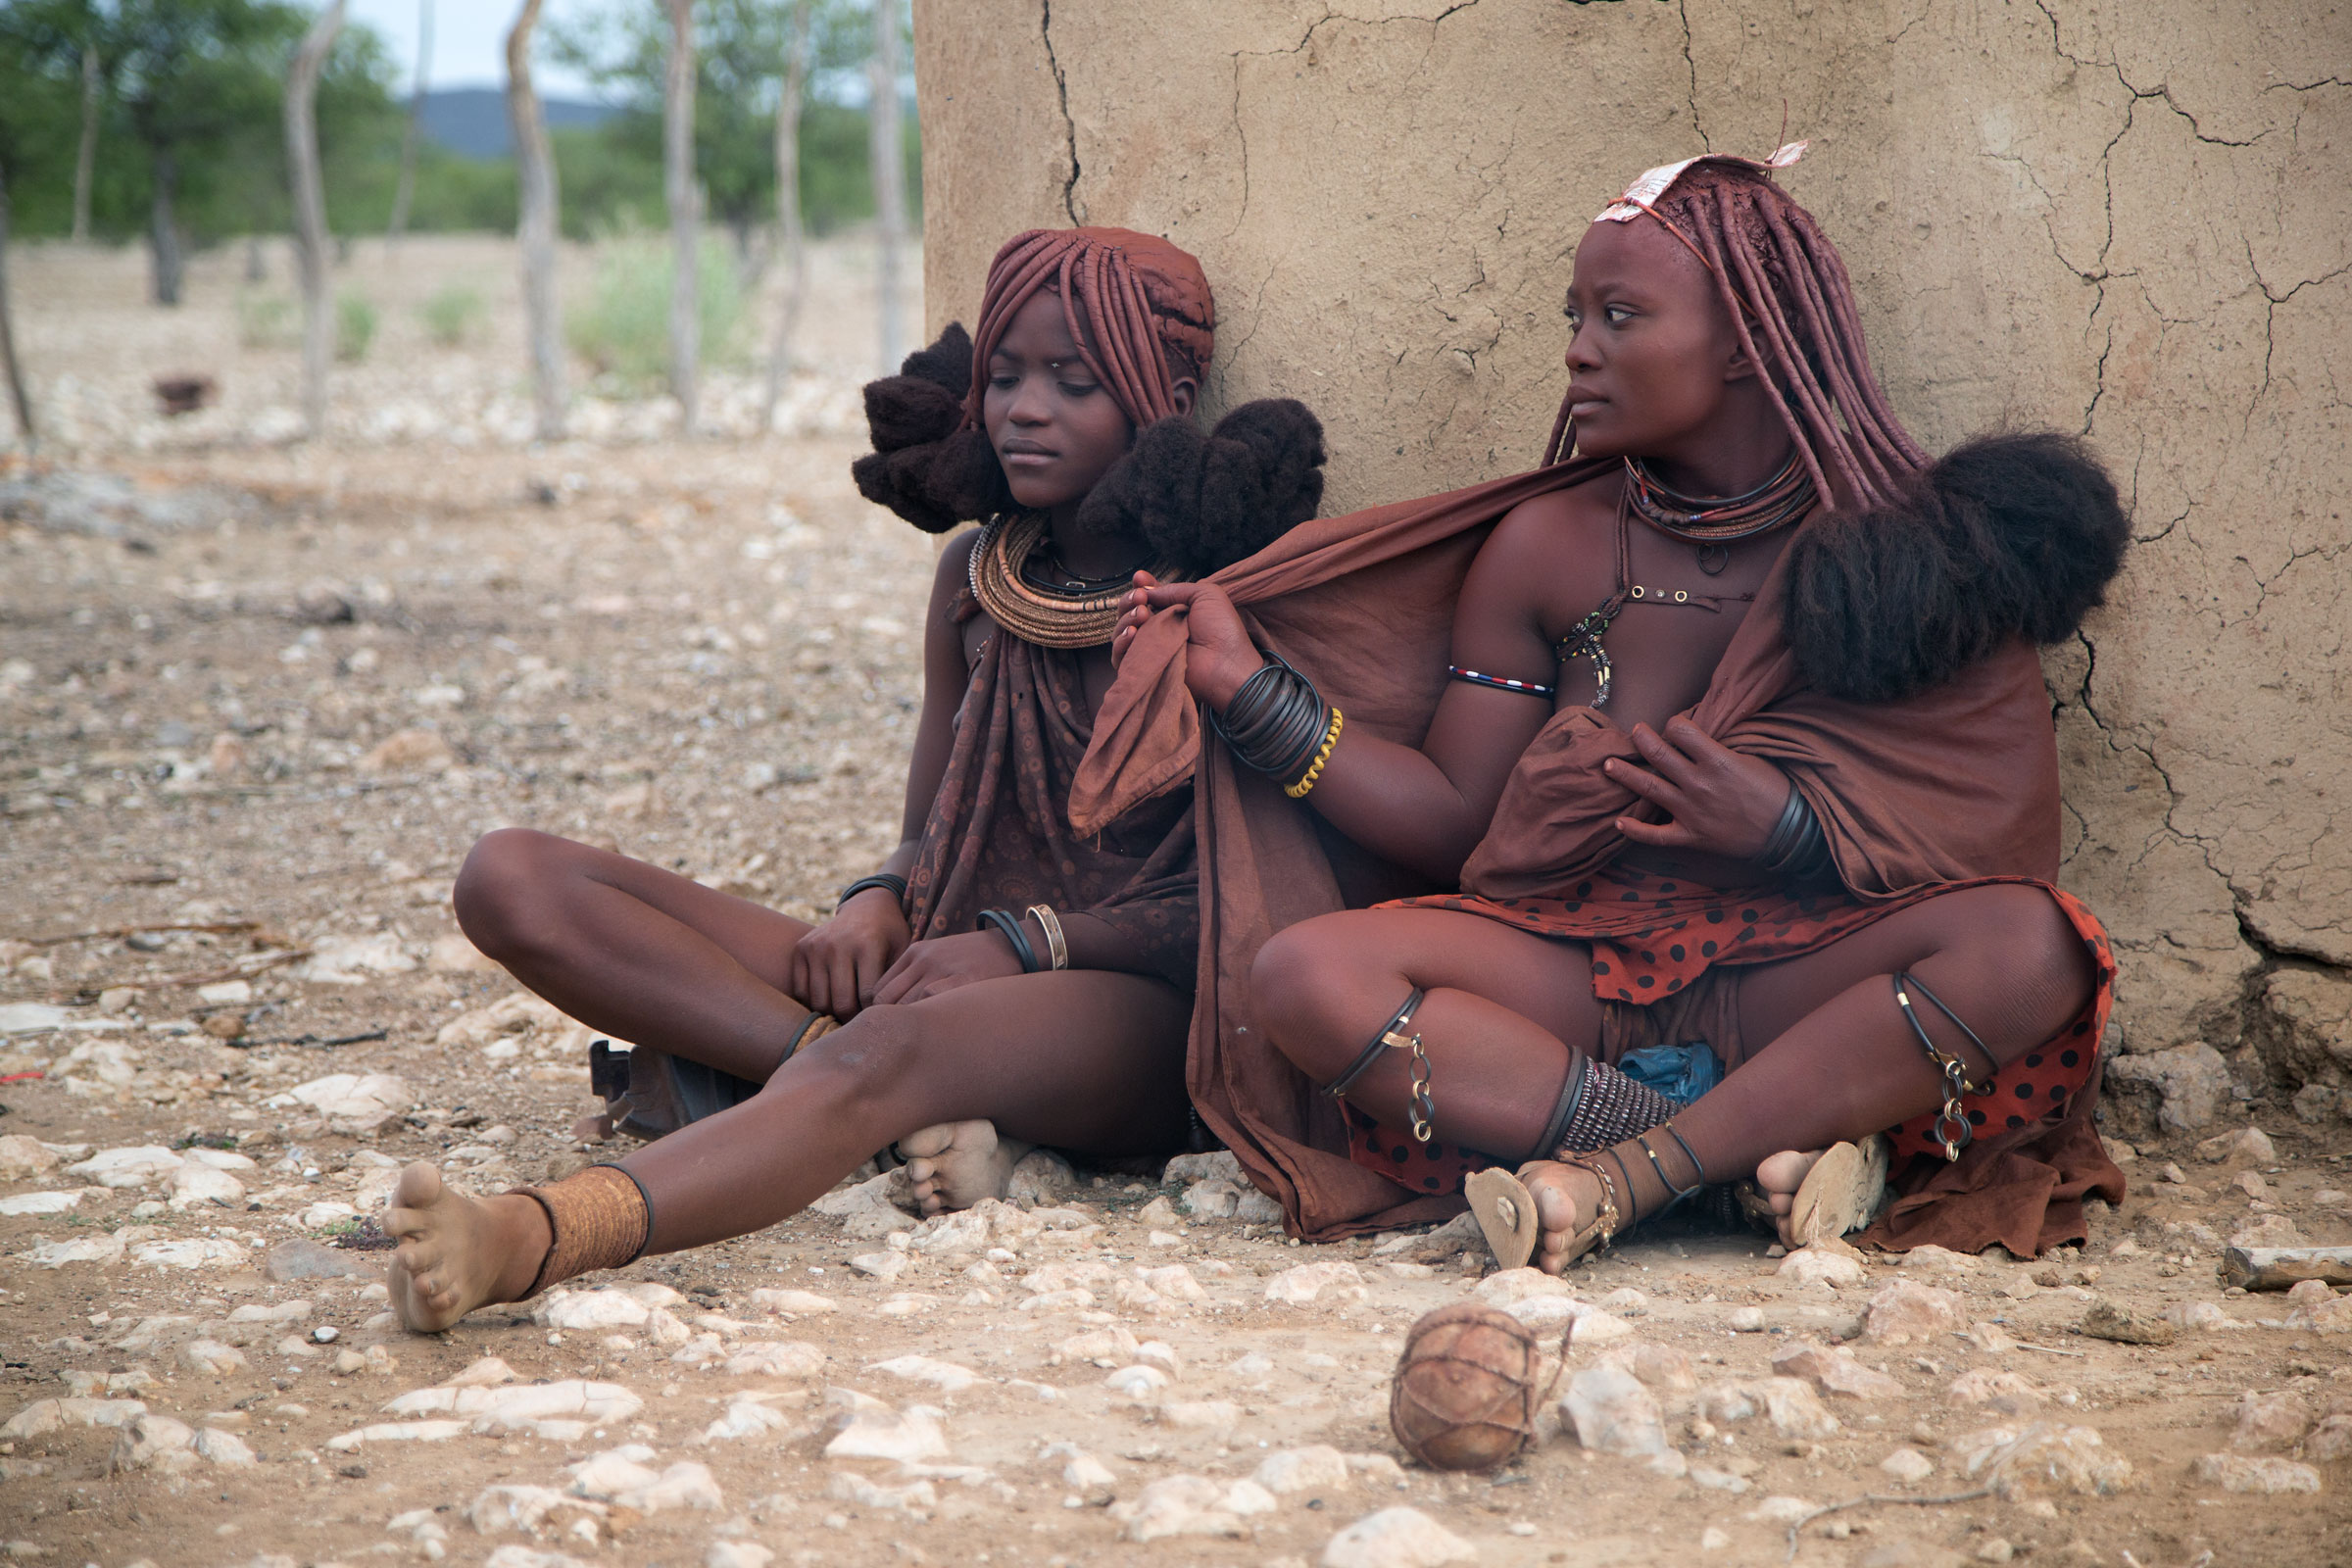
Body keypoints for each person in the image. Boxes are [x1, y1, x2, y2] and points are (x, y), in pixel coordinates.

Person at [1094, 146, 2131, 1269]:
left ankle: (1629, 1179)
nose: (1579, 350)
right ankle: (1710, 1157)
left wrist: (1786, 828)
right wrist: (1251, 694)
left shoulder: (1914, 555)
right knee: (1307, 975)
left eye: (1621, 316)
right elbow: (1455, 819)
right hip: (1576, 973)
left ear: (1744, 341)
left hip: (1805, 974)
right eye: (1575, 315)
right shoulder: (1549, 545)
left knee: (2034, 945)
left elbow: (1990, 826)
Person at [384, 227, 1326, 1331]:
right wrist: (876, 897)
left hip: (1140, 1016)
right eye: (1007, 376)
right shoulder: (974, 582)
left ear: (1159, 397)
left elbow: (1248, 913)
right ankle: (835, 1084)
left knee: (893, 1044)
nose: (1026, 408)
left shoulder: (1215, 609)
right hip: (944, 959)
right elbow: (926, 834)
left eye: (1073, 383)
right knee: (512, 877)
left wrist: (1025, 944)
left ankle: (529, 1237)